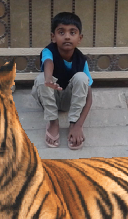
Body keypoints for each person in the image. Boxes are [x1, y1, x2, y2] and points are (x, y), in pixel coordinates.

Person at [31, 12, 93, 150]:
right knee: (41, 78)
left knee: (82, 77)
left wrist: (79, 125)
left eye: (72, 32)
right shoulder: (48, 51)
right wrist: (48, 78)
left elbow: (89, 97)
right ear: (53, 37)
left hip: (69, 102)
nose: (67, 36)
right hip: (49, 98)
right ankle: (53, 122)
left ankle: (73, 123)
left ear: (79, 38)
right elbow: (48, 62)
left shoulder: (81, 60)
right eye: (61, 32)